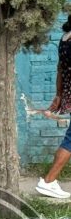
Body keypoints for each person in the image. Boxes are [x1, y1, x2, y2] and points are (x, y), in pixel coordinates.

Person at [36, 18, 71, 199]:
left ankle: (49, 181)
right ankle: (49, 181)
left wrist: (59, 94)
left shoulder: (65, 38)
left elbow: (60, 69)